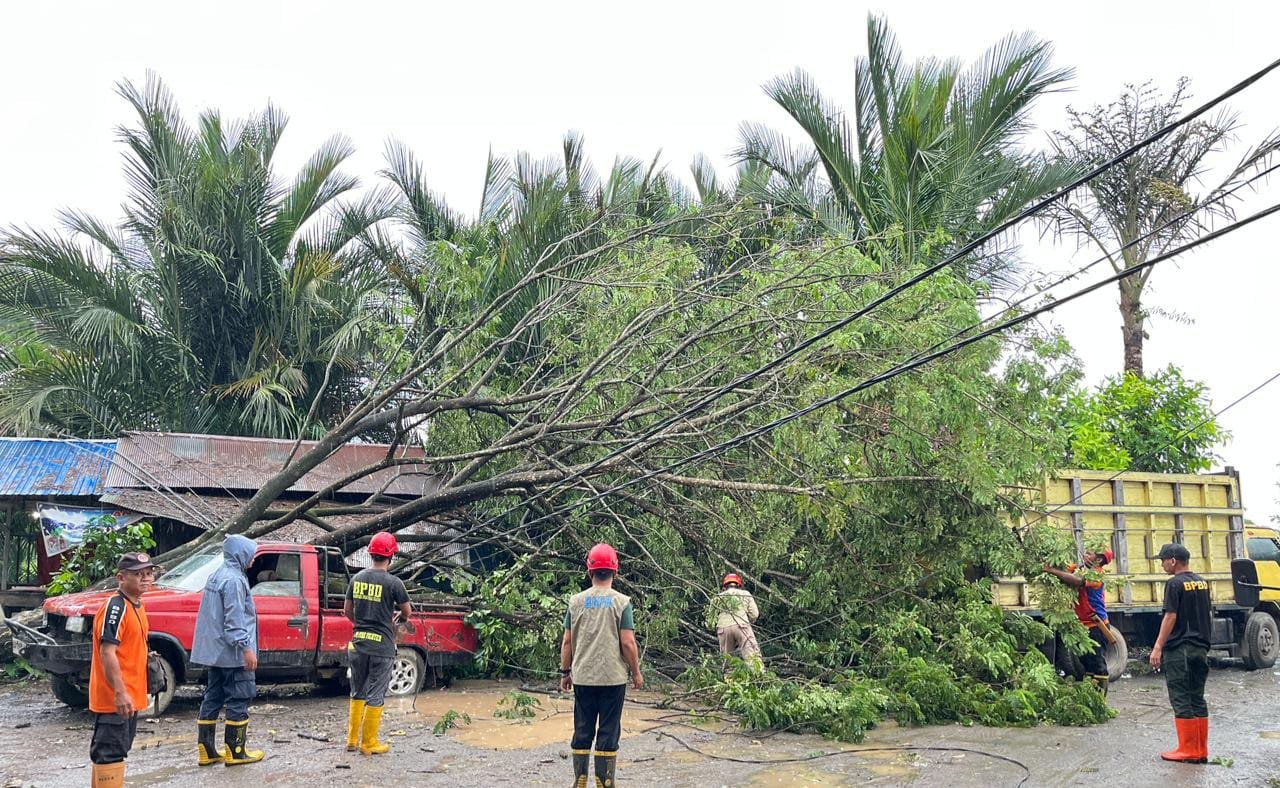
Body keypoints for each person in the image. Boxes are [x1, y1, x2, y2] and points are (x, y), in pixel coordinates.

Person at [560, 543, 643, 788]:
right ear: (615, 571)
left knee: (583, 729)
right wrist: (636, 672)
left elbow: (567, 641)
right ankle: (605, 783)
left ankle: (580, 780)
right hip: (613, 679)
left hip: (583, 678)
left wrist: (565, 673)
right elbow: (628, 643)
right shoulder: (622, 602)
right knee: (608, 731)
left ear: (590, 571)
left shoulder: (576, 602)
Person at [191, 534, 264, 766]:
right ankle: (236, 751)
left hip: (216, 653)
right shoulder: (234, 580)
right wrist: (246, 648)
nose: (253, 560)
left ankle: (207, 750)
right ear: (240, 554)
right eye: (250, 554)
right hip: (234, 654)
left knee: (212, 697)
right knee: (240, 697)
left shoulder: (217, 575)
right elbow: (234, 620)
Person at [88, 552, 156, 787]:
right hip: (115, 697)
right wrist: (119, 691)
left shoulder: (137, 605)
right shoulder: (116, 607)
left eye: (149, 573)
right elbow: (108, 651)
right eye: (138, 574)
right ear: (121, 578)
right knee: (109, 752)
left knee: (117, 750)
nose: (145, 578)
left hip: (130, 696)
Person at [344, 531, 411, 756]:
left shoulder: (357, 579)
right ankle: (369, 743)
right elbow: (407, 612)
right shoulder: (394, 583)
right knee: (376, 693)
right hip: (381, 646)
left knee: (357, 691)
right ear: (391, 555)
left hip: (358, 644)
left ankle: (352, 740)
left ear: (371, 553)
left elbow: (347, 611)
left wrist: (361, 625)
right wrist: (398, 620)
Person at [1150, 542, 1211, 764]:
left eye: (1163, 560)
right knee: (1197, 697)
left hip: (1180, 648)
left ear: (1173, 560)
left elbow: (1170, 616)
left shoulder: (1174, 584)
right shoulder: (1202, 582)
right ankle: (1200, 749)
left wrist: (1157, 647)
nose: (1162, 564)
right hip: (1200, 647)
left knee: (1181, 696)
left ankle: (1187, 749)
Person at [1042, 547, 1115, 694]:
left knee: (1097, 663)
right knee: (1085, 663)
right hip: (1081, 625)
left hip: (1096, 625)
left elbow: (1077, 581)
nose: (1084, 555)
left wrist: (1051, 570)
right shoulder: (1079, 568)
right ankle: (1090, 695)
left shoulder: (1097, 575)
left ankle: (1100, 699)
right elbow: (1064, 570)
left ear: (1099, 560)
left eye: (1089, 554)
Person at [711, 573, 761, 670]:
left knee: (727, 659)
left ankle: (728, 681)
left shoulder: (717, 598)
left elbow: (711, 618)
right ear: (738, 585)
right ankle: (758, 678)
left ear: (725, 586)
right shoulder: (745, 594)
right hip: (741, 625)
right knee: (752, 656)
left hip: (723, 628)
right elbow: (754, 614)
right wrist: (749, 622)